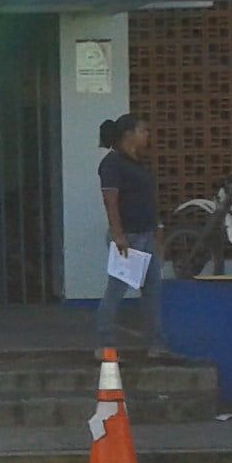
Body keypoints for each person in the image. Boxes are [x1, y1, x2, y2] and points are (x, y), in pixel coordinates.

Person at [96, 113, 163, 357]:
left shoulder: (138, 164)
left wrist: (157, 228)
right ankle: (104, 344)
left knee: (152, 290)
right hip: (129, 236)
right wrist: (118, 234)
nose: (147, 135)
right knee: (116, 290)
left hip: (146, 234)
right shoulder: (112, 164)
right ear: (128, 135)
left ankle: (155, 344)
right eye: (143, 131)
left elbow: (148, 199)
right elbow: (110, 200)